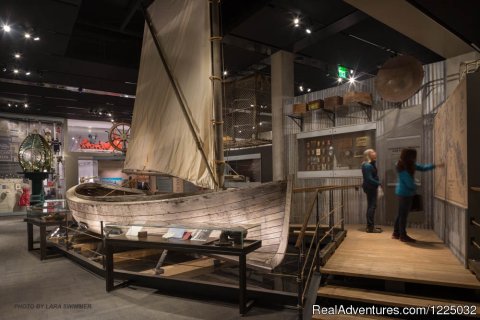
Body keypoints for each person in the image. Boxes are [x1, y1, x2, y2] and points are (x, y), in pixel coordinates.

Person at [393, 148, 442, 242]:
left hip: (403, 192)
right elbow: (408, 182)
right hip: (405, 193)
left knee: (401, 214)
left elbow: (422, 168)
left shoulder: (409, 164)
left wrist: (435, 166)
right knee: (403, 215)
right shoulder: (401, 166)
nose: (415, 158)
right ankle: (403, 236)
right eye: (414, 156)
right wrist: (415, 186)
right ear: (409, 156)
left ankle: (396, 233)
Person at [361, 149, 382, 233]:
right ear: (368, 155)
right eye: (373, 152)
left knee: (371, 206)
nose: (375, 153)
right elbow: (369, 178)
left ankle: (370, 226)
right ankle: (370, 227)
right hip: (370, 187)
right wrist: (379, 183)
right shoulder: (367, 165)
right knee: (372, 206)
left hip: (371, 187)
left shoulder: (370, 164)